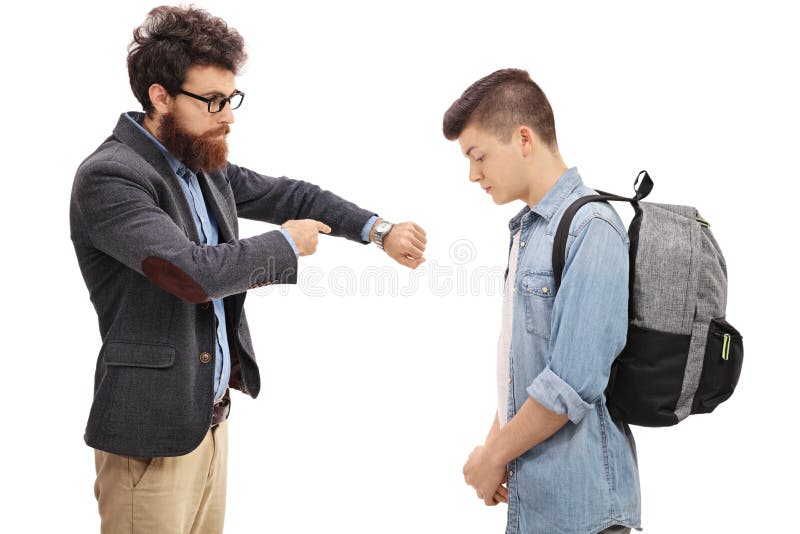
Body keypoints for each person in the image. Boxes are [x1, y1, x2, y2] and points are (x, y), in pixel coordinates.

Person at [70, 6, 427, 533]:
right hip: (149, 437)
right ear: (160, 96)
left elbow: (292, 193)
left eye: (231, 98)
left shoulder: (197, 161)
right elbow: (188, 273)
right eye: (212, 101)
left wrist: (378, 230)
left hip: (207, 422)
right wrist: (286, 244)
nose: (228, 115)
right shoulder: (111, 177)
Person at [443, 69, 640, 534]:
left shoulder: (592, 227)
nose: (473, 175)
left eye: (478, 156)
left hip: (584, 511)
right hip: (539, 505)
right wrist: (497, 451)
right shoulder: (530, 231)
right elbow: (525, 368)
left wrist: (492, 457)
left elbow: (570, 382)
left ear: (524, 138)